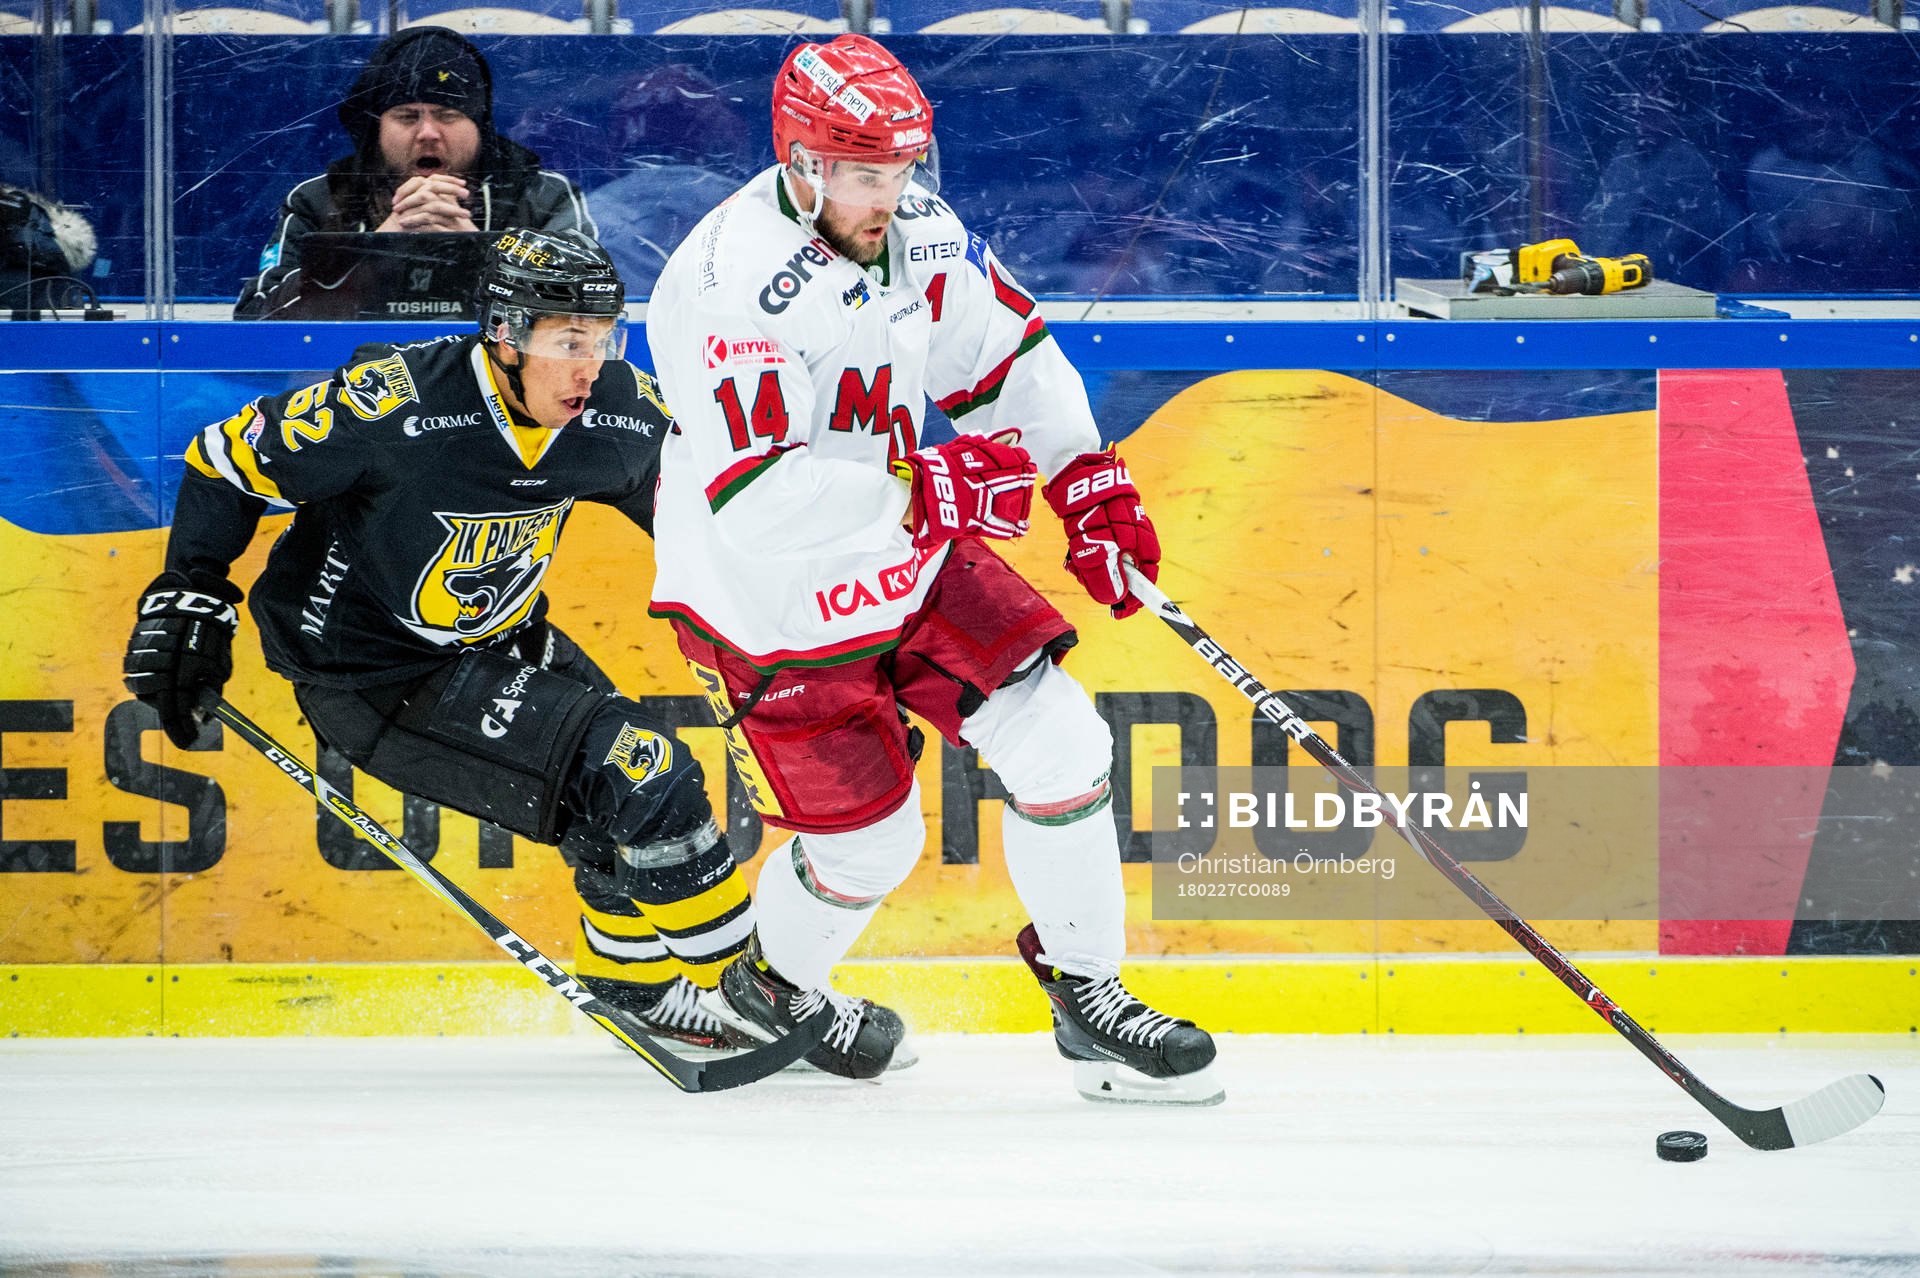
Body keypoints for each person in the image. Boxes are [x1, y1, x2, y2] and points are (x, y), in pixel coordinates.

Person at [127, 228, 900, 1072]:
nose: (590, 365)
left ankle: (643, 990)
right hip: (372, 677)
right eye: (568, 341)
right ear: (503, 333)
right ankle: (760, 999)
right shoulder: (394, 406)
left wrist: (818, 635)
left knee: (624, 810)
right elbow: (222, 462)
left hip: (500, 639)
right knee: (645, 770)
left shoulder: (617, 413)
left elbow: (714, 524)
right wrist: (191, 593)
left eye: (604, 338)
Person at [644, 35, 1220, 1103]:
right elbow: (759, 505)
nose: (891, 193)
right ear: (802, 163)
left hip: (905, 551)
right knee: (871, 846)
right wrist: (932, 491)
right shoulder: (727, 286)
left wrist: (1083, 477)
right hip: (768, 601)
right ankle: (764, 992)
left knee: (1062, 738)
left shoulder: (916, 227)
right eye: (867, 173)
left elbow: (1008, 357)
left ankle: (1091, 996)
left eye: (904, 168)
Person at [235, 28, 596, 319]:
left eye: (447, 115)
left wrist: (479, 254)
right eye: (407, 116)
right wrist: (378, 247)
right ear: (376, 128)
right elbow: (255, 320)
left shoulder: (543, 197)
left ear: (480, 125)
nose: (427, 133)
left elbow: (590, 309)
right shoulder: (319, 200)